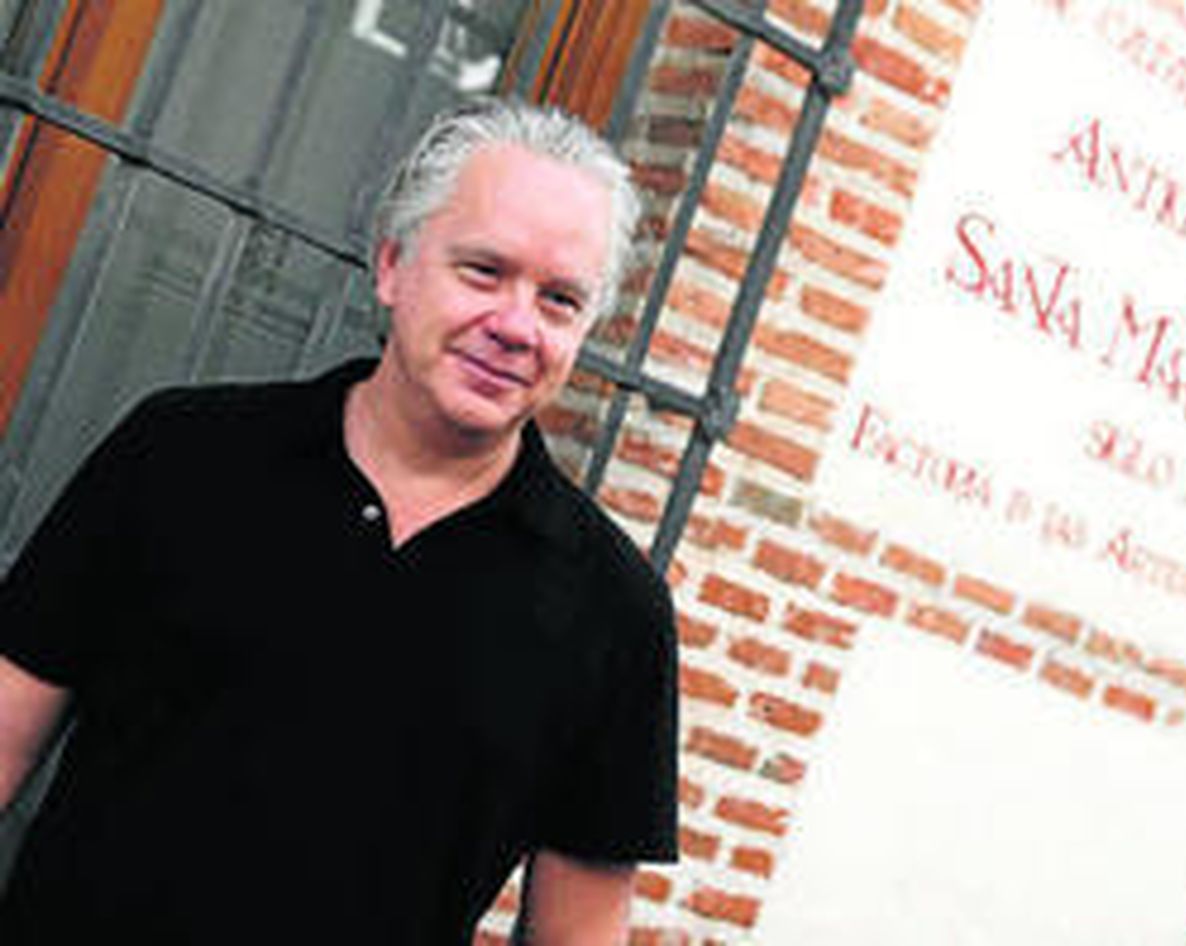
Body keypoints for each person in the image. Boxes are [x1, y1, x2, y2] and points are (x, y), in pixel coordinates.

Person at [0, 97, 678, 945]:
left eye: (560, 300)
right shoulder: (180, 454)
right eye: (483, 271)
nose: (516, 326)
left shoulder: (615, 614)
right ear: (392, 266)